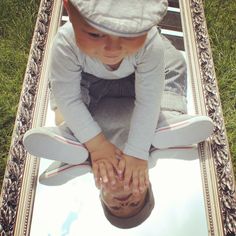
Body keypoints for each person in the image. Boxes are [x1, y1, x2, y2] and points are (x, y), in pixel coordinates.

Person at [23, 0, 214, 227]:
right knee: (67, 95)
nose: (124, 202)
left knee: (172, 64)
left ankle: (69, 140)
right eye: (95, 34)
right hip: (96, 85)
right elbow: (70, 97)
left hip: (139, 85)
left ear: (99, 190)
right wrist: (137, 152)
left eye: (115, 206)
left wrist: (93, 150)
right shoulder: (148, 155)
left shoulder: (149, 42)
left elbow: (147, 99)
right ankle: (166, 121)